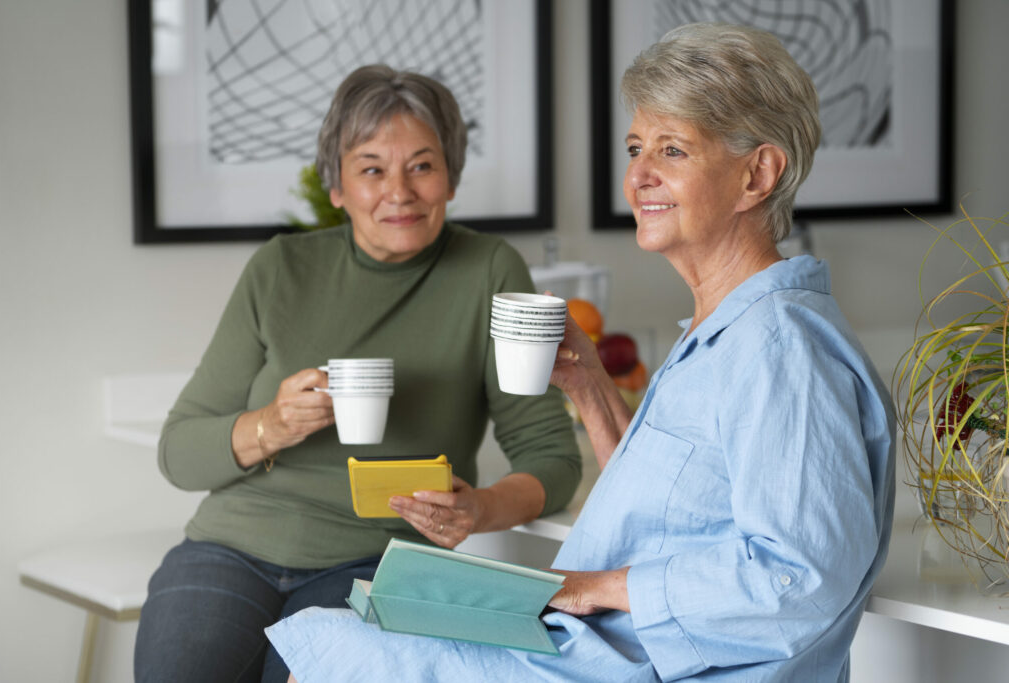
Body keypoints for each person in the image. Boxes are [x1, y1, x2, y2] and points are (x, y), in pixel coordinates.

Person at [264, 22, 896, 682]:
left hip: (644, 667)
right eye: (635, 148)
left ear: (758, 173)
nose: (639, 176)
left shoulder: (781, 348)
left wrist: (602, 585)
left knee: (333, 650)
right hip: (598, 652)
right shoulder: (722, 331)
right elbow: (679, 512)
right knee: (343, 634)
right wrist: (592, 389)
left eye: (672, 151)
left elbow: (801, 579)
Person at [133, 64, 582, 683]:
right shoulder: (280, 269)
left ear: (450, 176)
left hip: (378, 557)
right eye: (371, 169)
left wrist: (478, 508)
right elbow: (178, 454)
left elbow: (552, 458)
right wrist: (272, 425)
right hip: (230, 547)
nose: (398, 192)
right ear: (337, 186)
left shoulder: (488, 270)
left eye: (422, 166)